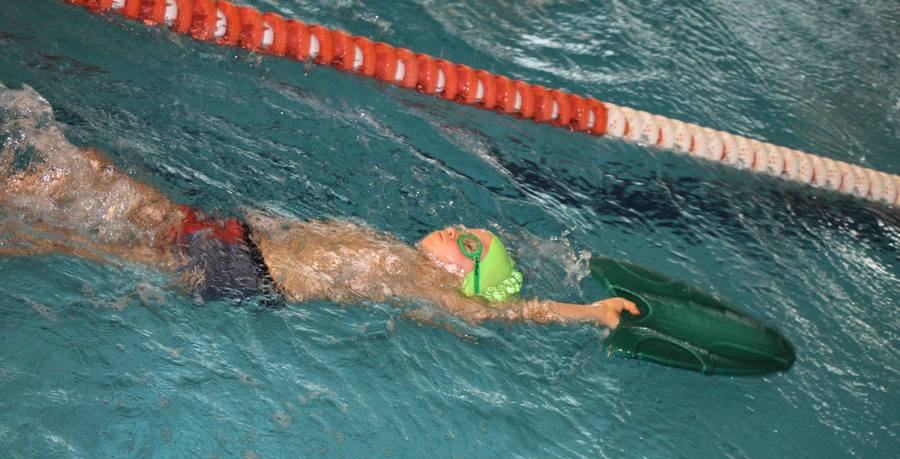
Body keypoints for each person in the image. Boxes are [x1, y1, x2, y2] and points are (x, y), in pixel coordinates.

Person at [0, 86, 638, 330]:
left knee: (83, 242)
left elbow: (503, 312)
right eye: (469, 229)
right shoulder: (398, 253)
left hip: (242, 273)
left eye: (468, 243)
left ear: (459, 274)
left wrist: (589, 312)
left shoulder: (425, 284)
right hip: (242, 244)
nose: (456, 229)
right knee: (97, 174)